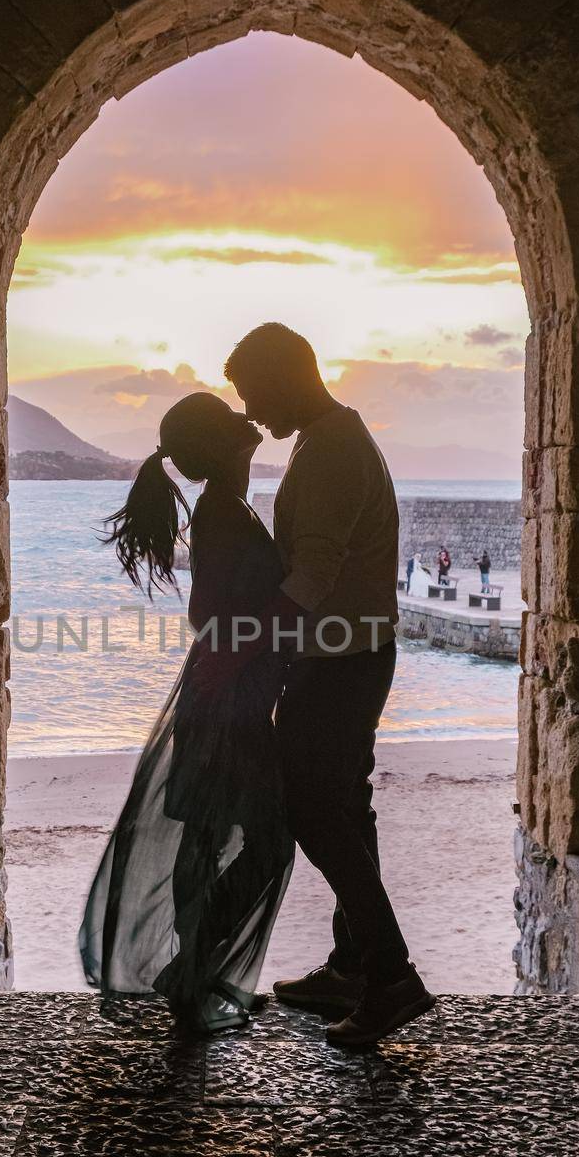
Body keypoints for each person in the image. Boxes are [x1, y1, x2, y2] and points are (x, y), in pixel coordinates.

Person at [205, 321, 434, 1047]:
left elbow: (314, 572)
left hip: (338, 662)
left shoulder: (331, 448)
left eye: (253, 395)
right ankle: (352, 964)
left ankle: (392, 976)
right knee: (347, 808)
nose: (249, 414)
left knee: (314, 813)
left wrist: (248, 647)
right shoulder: (324, 438)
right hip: (350, 654)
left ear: (287, 377)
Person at [79, 393, 294, 1035]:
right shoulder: (221, 513)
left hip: (230, 692)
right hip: (227, 698)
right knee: (253, 838)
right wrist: (280, 629)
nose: (250, 422)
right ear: (226, 446)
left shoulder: (222, 509)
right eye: (235, 421)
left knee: (213, 837)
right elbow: (209, 615)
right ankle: (190, 972)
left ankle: (192, 971)